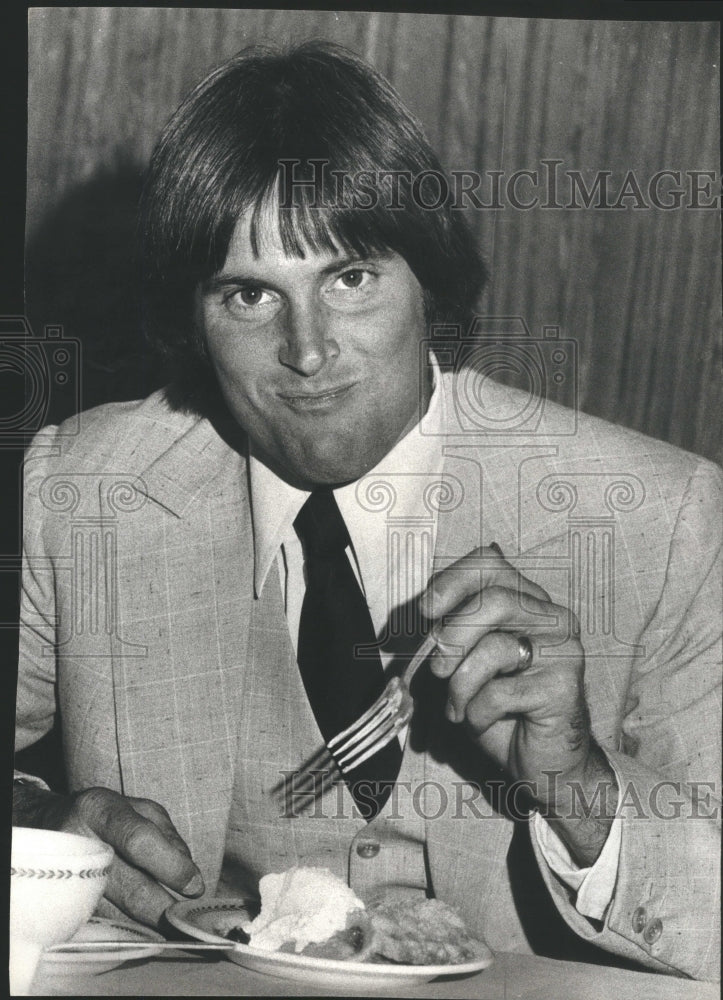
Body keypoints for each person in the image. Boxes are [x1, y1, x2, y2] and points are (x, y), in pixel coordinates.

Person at [14, 42, 720, 980]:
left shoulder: (659, 517)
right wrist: (35, 825)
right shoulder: (83, 492)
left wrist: (577, 786)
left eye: (349, 279)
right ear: (190, 322)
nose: (306, 353)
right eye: (250, 294)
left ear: (427, 283)